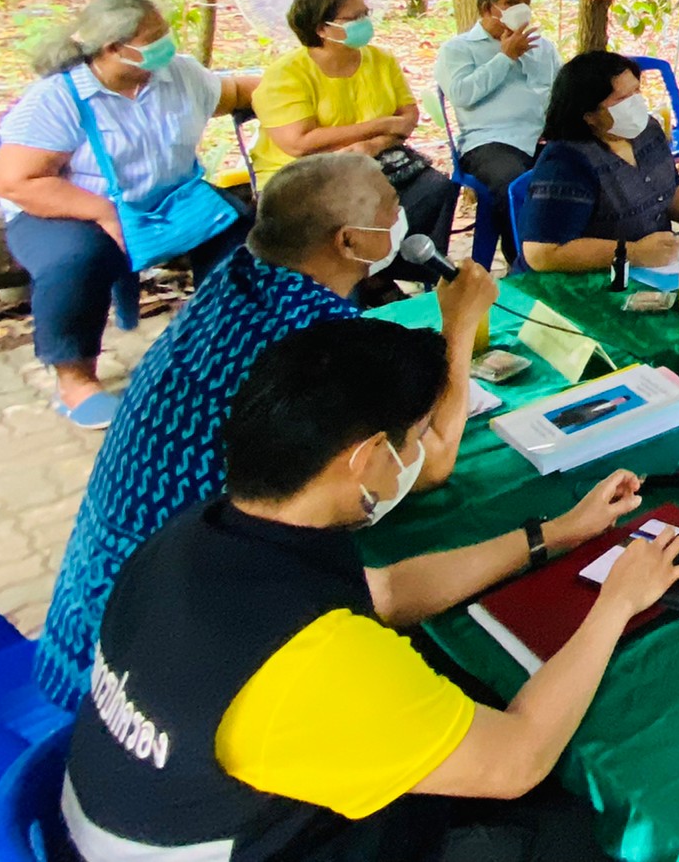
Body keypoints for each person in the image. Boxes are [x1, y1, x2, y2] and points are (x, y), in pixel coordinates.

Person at [60, 321, 679, 862]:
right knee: (579, 823)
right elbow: (518, 759)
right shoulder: (315, 660)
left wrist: (554, 535)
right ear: (365, 457)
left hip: (135, 808)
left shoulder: (201, 531)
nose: (420, 452)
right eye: (416, 438)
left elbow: (387, 591)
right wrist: (616, 602)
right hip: (229, 845)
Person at [34, 153, 496, 708]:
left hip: (96, 606)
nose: (403, 216)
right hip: (155, 663)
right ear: (349, 242)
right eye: (392, 207)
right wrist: (460, 324)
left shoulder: (235, 277)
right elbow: (432, 463)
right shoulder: (313, 344)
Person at [0, 0, 257, 427]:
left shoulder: (180, 74)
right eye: (154, 38)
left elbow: (234, 91)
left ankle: (219, 347)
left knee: (243, 240)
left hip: (169, 201)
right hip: (64, 207)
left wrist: (301, 86)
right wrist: (101, 213)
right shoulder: (56, 100)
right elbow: (17, 180)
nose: (166, 44)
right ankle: (75, 380)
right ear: (113, 48)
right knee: (77, 259)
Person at [254, 0, 460, 254]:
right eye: (353, 18)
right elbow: (299, 143)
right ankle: (359, 279)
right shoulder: (287, 74)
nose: (364, 23)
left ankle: (397, 269)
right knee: (353, 208)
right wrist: (381, 125)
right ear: (321, 29)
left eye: (366, 14)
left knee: (436, 188)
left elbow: (408, 116)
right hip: (307, 172)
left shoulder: (381, 61)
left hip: (373, 161)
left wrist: (373, 145)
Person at [520, 51, 679, 272]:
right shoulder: (566, 162)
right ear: (588, 115)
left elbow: (669, 189)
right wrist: (633, 252)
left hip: (655, 270)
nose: (635, 104)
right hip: (586, 283)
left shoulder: (647, 130)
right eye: (622, 99)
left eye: (636, 91)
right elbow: (541, 254)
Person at [432, 0, 558, 265]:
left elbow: (560, 89)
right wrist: (505, 57)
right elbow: (463, 94)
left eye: (527, 2)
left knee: (581, 169)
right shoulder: (458, 49)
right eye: (512, 3)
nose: (523, 9)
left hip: (540, 137)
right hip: (489, 142)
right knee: (513, 182)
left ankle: (570, 252)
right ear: (489, 9)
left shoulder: (543, 46)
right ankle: (524, 263)